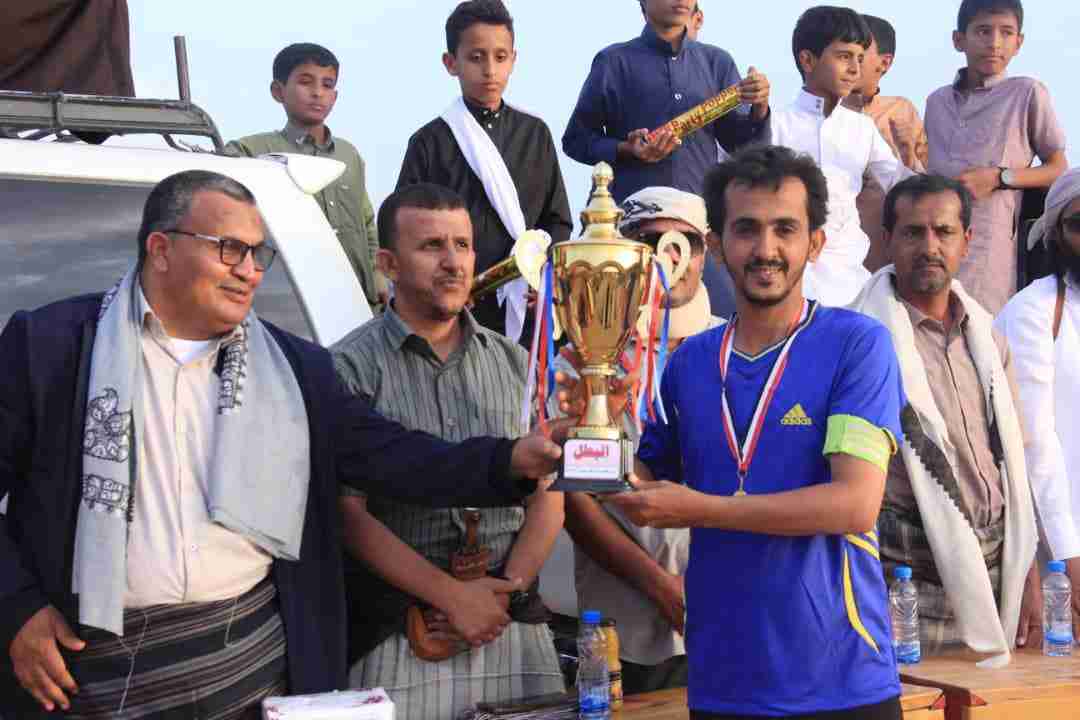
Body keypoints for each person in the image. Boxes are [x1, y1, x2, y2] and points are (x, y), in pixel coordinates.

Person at [0, 170, 564, 718]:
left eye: (257, 253)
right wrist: (17, 608)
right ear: (161, 249)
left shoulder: (293, 367)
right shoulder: (50, 347)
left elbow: (395, 456)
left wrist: (510, 460)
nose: (249, 271)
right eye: (230, 249)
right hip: (87, 676)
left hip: (251, 671)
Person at [608, 146, 905, 720]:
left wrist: (704, 509)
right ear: (717, 244)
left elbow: (854, 504)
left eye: (785, 229)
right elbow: (637, 488)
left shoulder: (856, 345)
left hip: (843, 683)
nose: (766, 249)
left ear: (814, 243)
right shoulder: (689, 363)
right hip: (725, 683)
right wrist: (590, 425)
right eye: (746, 229)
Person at [333, 184, 565, 720]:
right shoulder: (347, 367)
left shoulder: (516, 362)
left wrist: (506, 590)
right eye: (431, 246)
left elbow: (549, 493)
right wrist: (450, 596)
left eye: (462, 245)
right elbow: (348, 513)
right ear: (388, 264)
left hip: (508, 620)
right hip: (404, 630)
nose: (453, 263)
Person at [849, 174, 1041, 658]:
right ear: (887, 239)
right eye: (913, 232)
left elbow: (1016, 463)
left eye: (944, 232)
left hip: (998, 575)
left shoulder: (988, 338)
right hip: (905, 583)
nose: (929, 247)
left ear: (967, 241)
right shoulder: (858, 339)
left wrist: (1029, 574)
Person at [552, 187, 721, 696]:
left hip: (730, 614)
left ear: (706, 249)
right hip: (621, 630)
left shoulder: (738, 349)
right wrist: (661, 587)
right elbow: (573, 500)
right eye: (648, 242)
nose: (668, 256)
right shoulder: (581, 360)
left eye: (683, 241)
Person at [562, 0, 772, 318]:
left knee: (716, 323)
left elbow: (743, 146)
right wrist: (626, 149)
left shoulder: (716, 62)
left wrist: (759, 108)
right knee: (622, 325)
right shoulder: (614, 61)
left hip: (698, 229)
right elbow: (576, 140)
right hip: (633, 230)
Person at [395, 0, 572, 344]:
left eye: (500, 57)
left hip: (527, 303)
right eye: (476, 58)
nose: (490, 70)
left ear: (514, 60)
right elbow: (407, 228)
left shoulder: (535, 134)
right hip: (456, 304)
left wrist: (545, 276)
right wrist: (444, 280)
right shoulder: (430, 142)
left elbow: (557, 220)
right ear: (451, 63)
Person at [924, 0, 1067, 315]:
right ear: (958, 39)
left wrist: (1000, 177)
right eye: (983, 31)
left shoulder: (1027, 93)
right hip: (931, 239)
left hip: (990, 249)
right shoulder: (936, 102)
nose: (994, 42)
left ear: (1019, 42)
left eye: (1006, 32)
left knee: (982, 329)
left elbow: (1058, 168)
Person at [225, 43, 388, 314]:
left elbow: (367, 223)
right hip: (292, 303)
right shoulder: (251, 152)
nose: (317, 93)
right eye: (305, 82)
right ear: (278, 91)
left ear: (335, 96)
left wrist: (377, 275)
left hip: (358, 298)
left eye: (327, 84)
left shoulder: (348, 155)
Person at [769, 6, 913, 308]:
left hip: (850, 282)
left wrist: (910, 158)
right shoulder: (775, 125)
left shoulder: (861, 128)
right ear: (807, 60)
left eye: (860, 58)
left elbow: (902, 188)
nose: (855, 69)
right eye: (844, 56)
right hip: (786, 279)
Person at [996, 168, 1080, 639]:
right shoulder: (1033, 311)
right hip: (1057, 559)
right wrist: (1069, 554)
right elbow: (1035, 445)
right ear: (1055, 234)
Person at [842, 14, 929, 272]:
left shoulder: (901, 112)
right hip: (835, 257)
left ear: (884, 63)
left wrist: (907, 152)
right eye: (844, 53)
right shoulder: (827, 114)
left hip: (889, 257)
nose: (850, 63)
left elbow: (926, 187)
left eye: (860, 54)